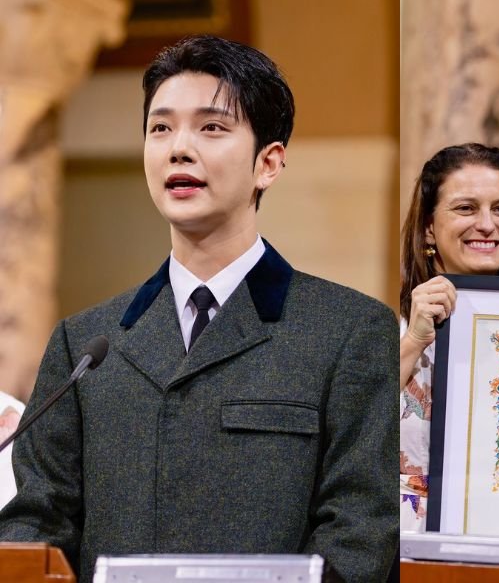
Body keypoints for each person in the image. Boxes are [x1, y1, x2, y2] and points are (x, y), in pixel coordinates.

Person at [0, 36, 400, 582]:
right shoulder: (86, 344)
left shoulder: (349, 331)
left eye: (211, 127)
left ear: (269, 163)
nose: (178, 148)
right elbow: (37, 524)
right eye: (160, 128)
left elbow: (361, 534)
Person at [399, 143, 499, 532]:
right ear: (428, 226)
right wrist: (414, 342)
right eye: (466, 208)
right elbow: (355, 422)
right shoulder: (386, 327)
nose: (488, 224)